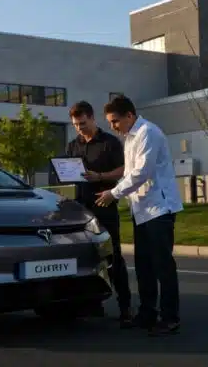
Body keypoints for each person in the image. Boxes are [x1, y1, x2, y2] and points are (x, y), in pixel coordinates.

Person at [95, 95, 183, 336]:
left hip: (159, 209)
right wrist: (112, 188)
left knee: (163, 266)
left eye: (115, 121)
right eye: (111, 122)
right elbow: (129, 174)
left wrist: (113, 193)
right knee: (144, 266)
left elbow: (141, 173)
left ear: (130, 116)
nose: (113, 126)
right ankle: (147, 313)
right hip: (142, 210)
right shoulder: (130, 138)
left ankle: (170, 317)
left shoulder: (148, 133)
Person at [49, 100, 133, 328]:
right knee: (85, 258)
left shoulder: (109, 143)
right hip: (80, 210)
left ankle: (125, 306)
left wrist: (100, 177)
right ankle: (93, 304)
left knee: (112, 257)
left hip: (104, 206)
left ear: (92, 118)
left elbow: (124, 170)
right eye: (75, 125)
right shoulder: (72, 146)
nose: (79, 128)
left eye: (83, 123)